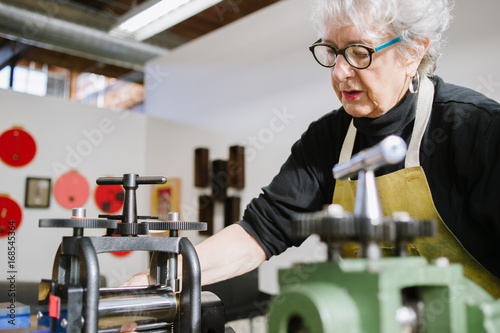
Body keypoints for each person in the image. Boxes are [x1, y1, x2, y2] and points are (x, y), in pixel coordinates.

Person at [128, 0, 500, 297]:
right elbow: (259, 231)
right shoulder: (327, 140)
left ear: (413, 53)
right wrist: (156, 280)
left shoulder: (477, 131)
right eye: (332, 51)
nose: (339, 72)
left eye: (359, 52)